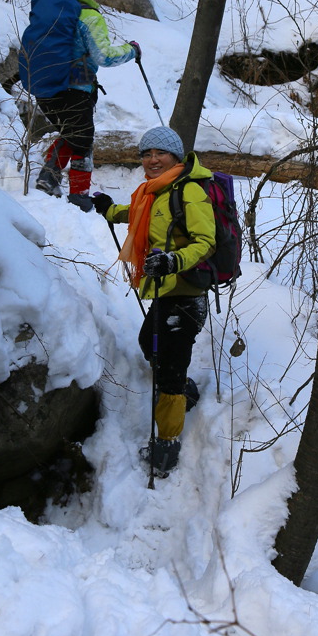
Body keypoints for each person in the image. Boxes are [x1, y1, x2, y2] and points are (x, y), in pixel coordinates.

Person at [92, 125, 216, 476]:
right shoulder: (152, 192)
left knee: (170, 372)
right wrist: (108, 209)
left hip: (186, 294)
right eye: (146, 154)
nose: (152, 159)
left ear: (175, 155)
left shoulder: (189, 190)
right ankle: (186, 394)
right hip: (164, 292)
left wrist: (173, 260)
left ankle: (167, 444)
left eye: (159, 153)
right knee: (150, 343)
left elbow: (205, 241)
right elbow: (138, 217)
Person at [35, 0, 140, 211]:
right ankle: (79, 198)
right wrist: (132, 49)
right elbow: (104, 56)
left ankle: (47, 178)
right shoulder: (90, 17)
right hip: (74, 89)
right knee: (83, 143)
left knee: (71, 133)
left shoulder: (52, 14)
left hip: (43, 87)